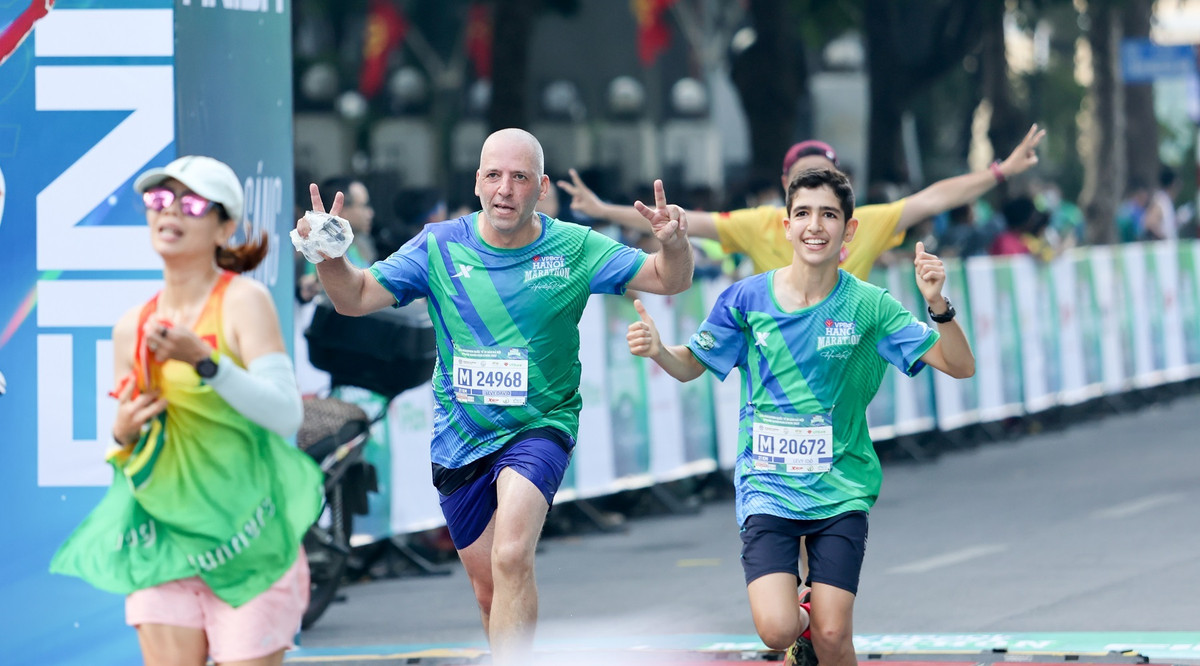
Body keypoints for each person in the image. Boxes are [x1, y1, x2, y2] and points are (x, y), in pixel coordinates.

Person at [293, 128, 694, 665]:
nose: (506, 189)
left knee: (510, 555)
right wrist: (326, 255)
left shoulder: (574, 247)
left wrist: (674, 244)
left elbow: (668, 279)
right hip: (461, 438)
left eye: (520, 177)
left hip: (540, 426)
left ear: (542, 188)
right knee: (489, 592)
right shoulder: (438, 245)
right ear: (478, 182)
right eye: (494, 176)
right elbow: (355, 296)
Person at [626, 168, 974, 666]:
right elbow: (690, 366)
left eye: (829, 215)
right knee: (777, 630)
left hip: (841, 487)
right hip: (767, 486)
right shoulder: (745, 300)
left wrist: (938, 304)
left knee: (834, 637)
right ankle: (803, 621)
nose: (815, 225)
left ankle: (818, 629)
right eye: (804, 214)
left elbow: (960, 366)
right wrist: (661, 350)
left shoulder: (870, 305)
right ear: (786, 226)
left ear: (848, 230)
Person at [51, 155, 323, 666]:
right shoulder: (131, 327)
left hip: (248, 540)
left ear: (224, 228)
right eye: (159, 199)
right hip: (164, 541)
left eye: (192, 203)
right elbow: (129, 444)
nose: (170, 211)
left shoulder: (244, 301)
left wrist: (206, 362)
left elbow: (286, 414)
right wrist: (120, 433)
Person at [559, 125, 1046, 279]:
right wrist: (603, 211)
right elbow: (678, 220)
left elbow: (934, 198)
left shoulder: (866, 222)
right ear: (785, 188)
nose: (815, 195)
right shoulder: (759, 223)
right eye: (803, 183)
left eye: (826, 182)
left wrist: (1000, 171)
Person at [1142, 166, 1180, 241]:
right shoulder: (1161, 201)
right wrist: (1164, 238)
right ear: (1173, 184)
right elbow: (1150, 223)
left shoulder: (1166, 201)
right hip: (1163, 246)